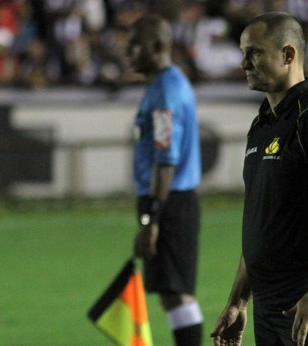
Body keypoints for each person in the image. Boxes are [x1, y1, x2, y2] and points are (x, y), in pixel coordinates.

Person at [210, 12, 308, 346]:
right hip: (267, 303)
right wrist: (238, 300)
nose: (244, 62)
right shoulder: (261, 124)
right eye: (243, 52)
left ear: (288, 55)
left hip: (307, 300)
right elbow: (261, 223)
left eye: (255, 52)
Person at [128, 14, 203, 345]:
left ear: (157, 47)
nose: (128, 51)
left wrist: (152, 218)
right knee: (172, 294)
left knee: (177, 293)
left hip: (170, 201)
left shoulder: (165, 93)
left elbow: (166, 160)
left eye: (135, 45)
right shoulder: (166, 84)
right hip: (171, 199)